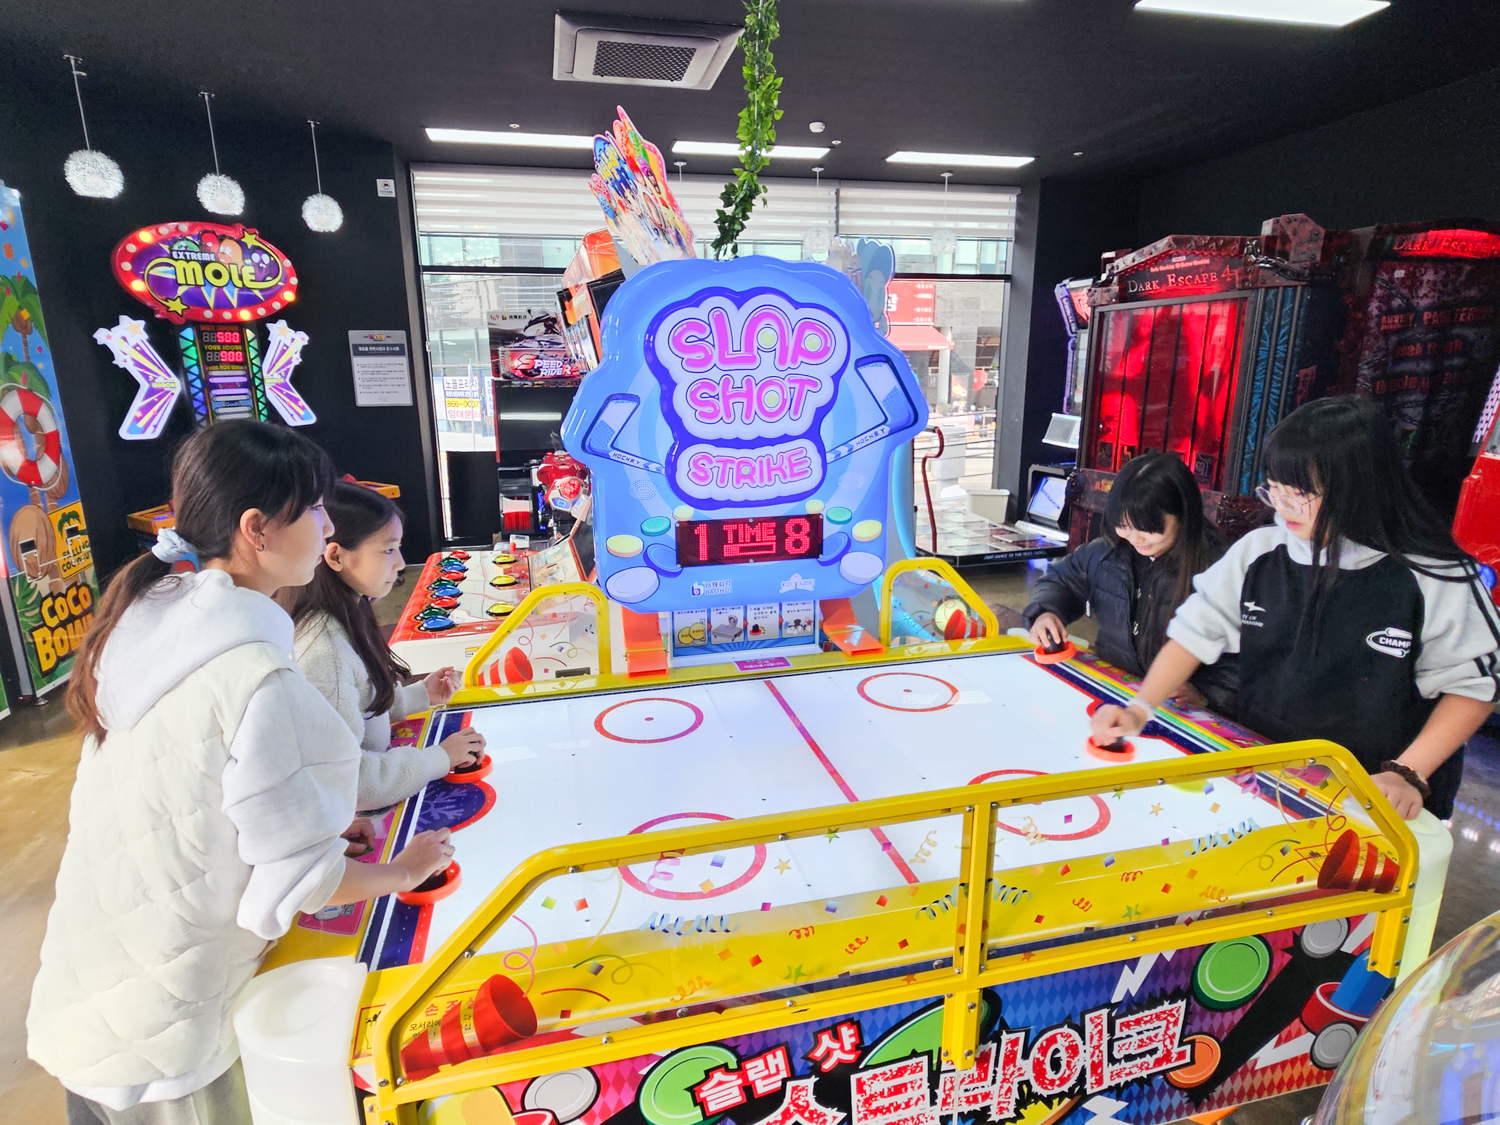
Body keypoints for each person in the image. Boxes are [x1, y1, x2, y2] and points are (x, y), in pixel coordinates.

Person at [30, 422, 454, 1125]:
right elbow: (302, 885)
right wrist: (401, 871)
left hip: (94, 994)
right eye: (313, 509)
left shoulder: (152, 629)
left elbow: (196, 805)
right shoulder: (256, 674)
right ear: (257, 529)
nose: (326, 525)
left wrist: (310, 826)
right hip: (172, 1028)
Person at [1092, 397, 1500, 820]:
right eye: (1274, 489)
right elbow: (1193, 633)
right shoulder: (1260, 551)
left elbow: (1472, 687)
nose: (1280, 506)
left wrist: (1407, 772)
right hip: (1267, 769)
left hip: (1374, 792)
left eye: (1299, 494)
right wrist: (1139, 708)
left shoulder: (1432, 575)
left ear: (1358, 488)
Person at [287, 480, 485, 809]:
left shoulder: (349, 615)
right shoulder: (323, 651)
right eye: (388, 550)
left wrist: (419, 695)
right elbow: (348, 780)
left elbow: (361, 705)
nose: (400, 563)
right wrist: (439, 757)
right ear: (335, 556)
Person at [1023, 452, 1238, 714]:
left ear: (1183, 515)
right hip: (1115, 692)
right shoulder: (1107, 552)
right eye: (1123, 525)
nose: (1135, 539)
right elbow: (1061, 580)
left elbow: (1243, 657)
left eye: (1148, 527)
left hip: (1179, 709)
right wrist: (1046, 612)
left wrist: (1207, 696)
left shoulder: (1219, 569)